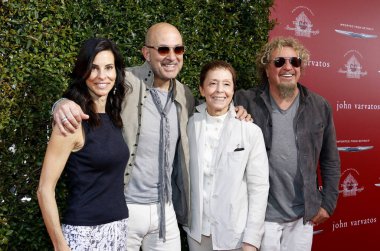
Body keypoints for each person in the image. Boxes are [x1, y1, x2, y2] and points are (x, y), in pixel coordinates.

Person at [51, 22, 250, 251]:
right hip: (124, 208)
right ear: (146, 53)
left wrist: (237, 112)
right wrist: (61, 104)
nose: (172, 57)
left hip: (166, 211)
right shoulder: (124, 81)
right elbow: (89, 88)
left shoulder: (185, 94)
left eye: (178, 49)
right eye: (163, 49)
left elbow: (213, 111)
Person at [234, 36, 341, 251]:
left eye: (295, 61)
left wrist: (327, 203)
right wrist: (233, 114)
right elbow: (210, 109)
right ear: (266, 69)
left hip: (301, 217)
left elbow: (330, 159)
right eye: (279, 62)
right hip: (259, 216)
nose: (288, 67)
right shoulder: (244, 101)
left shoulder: (319, 106)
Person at [37, 38, 131, 250]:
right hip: (83, 234)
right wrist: (60, 245)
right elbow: (44, 189)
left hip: (118, 229)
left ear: (116, 72)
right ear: (83, 72)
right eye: (94, 68)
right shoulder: (71, 122)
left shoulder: (113, 115)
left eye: (108, 68)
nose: (102, 76)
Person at [185, 60, 269, 251]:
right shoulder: (190, 125)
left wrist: (252, 240)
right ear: (202, 89)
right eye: (213, 83)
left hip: (235, 236)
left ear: (233, 90)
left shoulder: (250, 131)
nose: (219, 90)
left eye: (226, 84)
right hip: (197, 234)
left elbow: (259, 188)